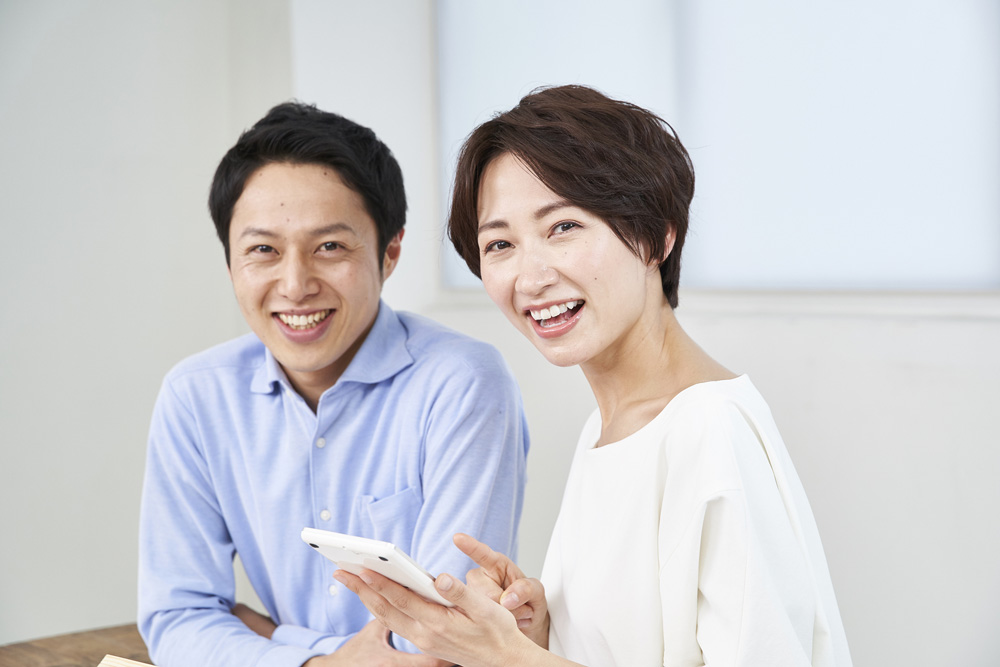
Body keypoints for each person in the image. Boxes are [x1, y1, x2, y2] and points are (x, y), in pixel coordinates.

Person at [336, 85, 853, 666]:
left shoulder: (708, 430)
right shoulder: (608, 428)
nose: (530, 277)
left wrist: (507, 658)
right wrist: (535, 634)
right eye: (500, 243)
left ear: (656, 235)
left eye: (563, 227)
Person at [137, 101, 530, 667]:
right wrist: (318, 662)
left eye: (330, 247)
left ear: (390, 252)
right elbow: (175, 617)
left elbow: (444, 639)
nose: (295, 285)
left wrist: (271, 637)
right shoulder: (196, 397)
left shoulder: (463, 383)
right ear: (230, 262)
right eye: (263, 250)